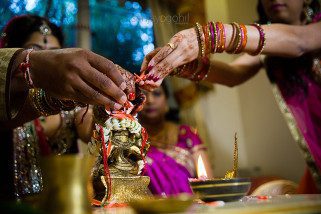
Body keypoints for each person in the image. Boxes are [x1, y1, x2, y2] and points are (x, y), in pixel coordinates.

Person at [140, 0, 321, 193]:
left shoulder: (312, 31)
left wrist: (207, 36)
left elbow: (299, 41)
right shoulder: (270, 49)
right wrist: (181, 65)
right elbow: (232, 74)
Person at [0, 14, 134, 199]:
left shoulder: (71, 104)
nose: (49, 57)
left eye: (54, 51)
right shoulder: (6, 102)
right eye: (37, 51)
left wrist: (109, 103)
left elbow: (91, 130)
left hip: (66, 203)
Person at [138, 81, 213, 196]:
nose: (150, 100)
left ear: (167, 101)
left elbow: (207, 184)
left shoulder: (186, 135)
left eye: (157, 94)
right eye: (143, 96)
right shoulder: (132, 140)